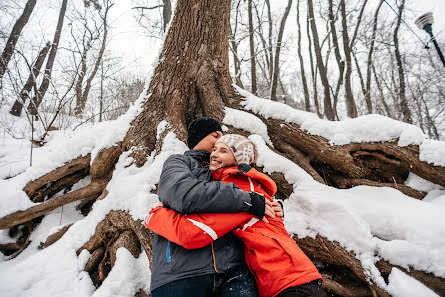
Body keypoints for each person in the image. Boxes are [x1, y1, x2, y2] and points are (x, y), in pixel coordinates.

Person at [146, 134, 323, 297]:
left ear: (239, 159)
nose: (214, 154)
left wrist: (155, 215)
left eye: (223, 151)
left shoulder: (242, 191)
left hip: (289, 280)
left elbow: (193, 232)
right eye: (214, 149)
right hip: (279, 281)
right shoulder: (243, 187)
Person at [149, 118, 281, 297]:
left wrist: (270, 206)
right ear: (198, 138)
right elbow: (184, 195)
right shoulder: (179, 162)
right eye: (216, 135)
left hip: (235, 272)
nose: (221, 139)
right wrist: (246, 200)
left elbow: (255, 195)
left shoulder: (231, 171)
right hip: (180, 273)